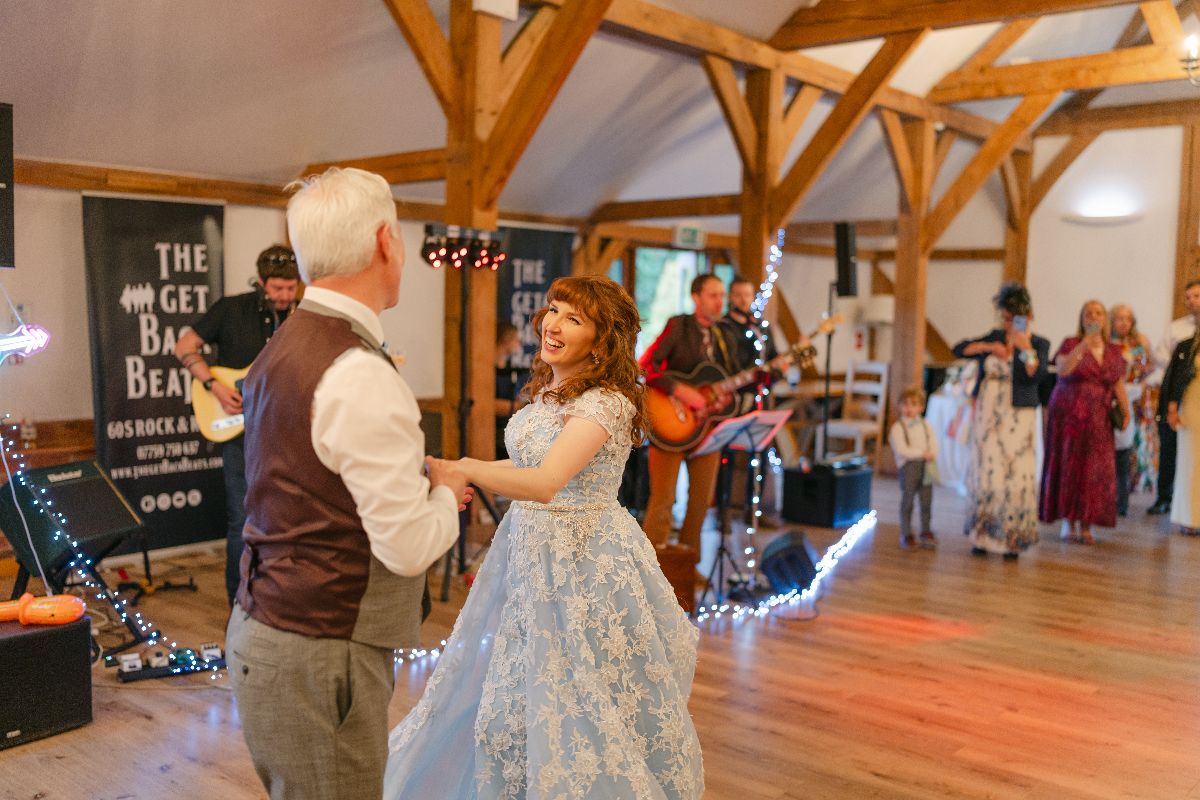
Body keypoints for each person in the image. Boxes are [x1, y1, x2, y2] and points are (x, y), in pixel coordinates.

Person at [384, 276, 704, 799]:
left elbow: (547, 482)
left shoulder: (607, 402)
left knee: (580, 700)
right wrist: (458, 470)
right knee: (515, 694)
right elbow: (530, 463)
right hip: (533, 552)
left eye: (573, 319)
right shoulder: (552, 391)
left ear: (602, 339)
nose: (552, 325)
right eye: (553, 310)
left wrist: (465, 467)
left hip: (584, 559)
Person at [224, 168, 468, 800]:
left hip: (276, 627)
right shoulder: (356, 370)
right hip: (320, 650)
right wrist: (446, 491)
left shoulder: (285, 345)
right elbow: (409, 546)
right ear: (387, 241)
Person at [175, 244, 300, 606]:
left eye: (291, 289)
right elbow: (184, 345)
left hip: (285, 430)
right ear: (261, 282)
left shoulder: (301, 316)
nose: (284, 296)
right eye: (277, 289)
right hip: (240, 431)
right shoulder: (231, 309)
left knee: (287, 517)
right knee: (241, 520)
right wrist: (213, 385)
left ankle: (279, 598)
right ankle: (239, 602)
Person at [639, 273, 738, 567]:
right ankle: (648, 573)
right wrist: (682, 391)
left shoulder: (725, 336)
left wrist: (722, 399)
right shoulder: (679, 325)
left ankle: (687, 574)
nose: (719, 301)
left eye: (722, 295)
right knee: (663, 502)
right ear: (696, 298)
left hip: (707, 431)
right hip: (671, 424)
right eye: (712, 295)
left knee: (700, 504)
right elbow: (647, 367)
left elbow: (724, 382)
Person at [952, 283, 1050, 560]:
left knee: (1015, 471)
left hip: (1019, 413)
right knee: (988, 468)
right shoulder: (995, 336)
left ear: (1028, 316)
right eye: (1005, 318)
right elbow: (957, 349)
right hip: (989, 409)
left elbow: (1036, 373)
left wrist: (1025, 346)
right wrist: (988, 346)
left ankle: (1011, 538)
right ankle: (983, 535)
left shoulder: (1038, 343)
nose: (1008, 323)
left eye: (1014, 318)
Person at [1040, 300, 1129, 545]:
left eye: (1098, 313)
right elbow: (1062, 370)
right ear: (1082, 319)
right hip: (1070, 414)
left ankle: (1088, 523)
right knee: (1071, 465)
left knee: (1094, 470)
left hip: (1099, 416)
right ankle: (1069, 520)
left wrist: (1125, 409)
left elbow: (1117, 381)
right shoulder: (1071, 343)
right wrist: (1083, 345)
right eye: (1088, 313)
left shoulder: (1113, 350)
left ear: (1105, 318)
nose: (1093, 317)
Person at [1148, 279, 1200, 515]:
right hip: (1181, 395)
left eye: (1197, 296)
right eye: (1188, 297)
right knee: (1171, 452)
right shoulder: (1178, 329)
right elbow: (1164, 359)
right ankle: (1166, 498)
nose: (1192, 301)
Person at [1110, 304, 1154, 515]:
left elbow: (1151, 367)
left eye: (1128, 318)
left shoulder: (1139, 343)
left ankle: (1125, 499)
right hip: (1115, 401)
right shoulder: (1108, 344)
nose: (1124, 322)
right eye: (1119, 318)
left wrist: (1144, 382)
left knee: (1133, 450)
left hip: (1136, 400)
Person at [888, 385, 938, 550]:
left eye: (913, 404)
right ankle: (907, 533)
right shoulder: (898, 428)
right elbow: (902, 450)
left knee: (926, 500)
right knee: (908, 500)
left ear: (921, 407)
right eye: (905, 404)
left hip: (926, 466)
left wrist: (931, 453)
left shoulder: (925, 425)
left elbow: (933, 443)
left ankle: (926, 530)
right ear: (900, 406)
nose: (909, 408)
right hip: (909, 467)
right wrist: (921, 453)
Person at [1166, 331, 1200, 534]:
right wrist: (1172, 407)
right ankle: (1189, 516)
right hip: (1192, 404)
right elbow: (1176, 376)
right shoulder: (1189, 345)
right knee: (1190, 461)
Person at [494, 320, 527, 460]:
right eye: (517, 340)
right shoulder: (485, 370)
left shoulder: (510, 369)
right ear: (506, 340)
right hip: (493, 432)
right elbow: (484, 405)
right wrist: (516, 407)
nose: (519, 345)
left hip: (509, 428)